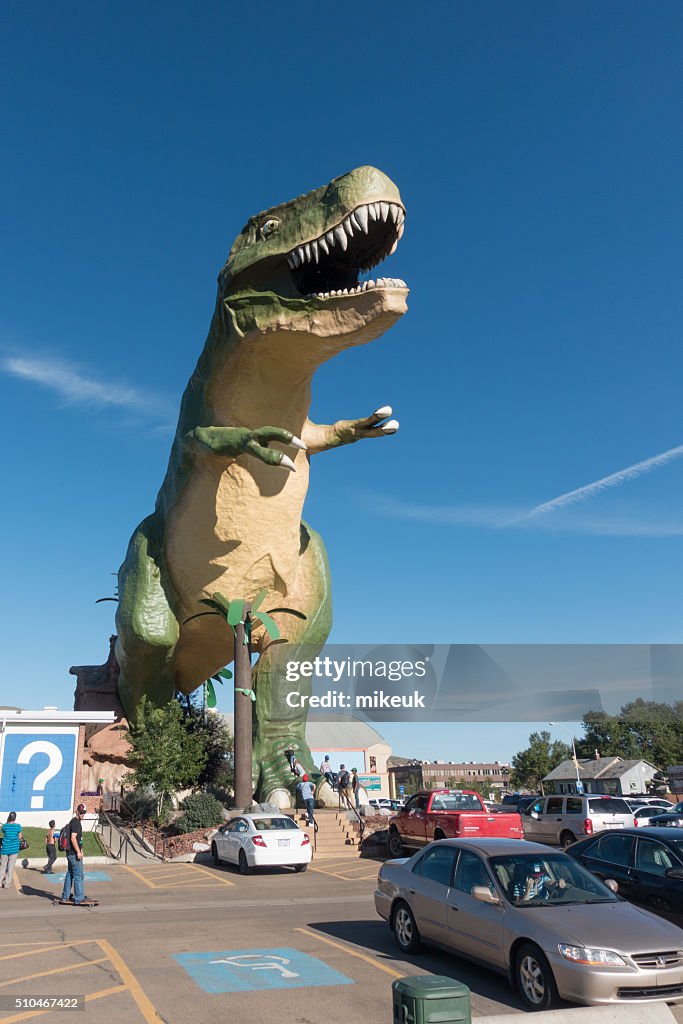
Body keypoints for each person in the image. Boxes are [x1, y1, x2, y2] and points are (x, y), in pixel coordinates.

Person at [61, 803, 87, 904]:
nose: (82, 815)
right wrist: (78, 852)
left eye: (84, 813)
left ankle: (65, 896)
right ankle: (79, 897)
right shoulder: (76, 823)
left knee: (70, 874)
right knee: (78, 875)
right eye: (81, 813)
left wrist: (81, 849)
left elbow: (77, 839)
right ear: (77, 812)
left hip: (70, 853)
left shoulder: (73, 822)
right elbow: (73, 838)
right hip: (74, 854)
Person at [0, 812, 24, 888]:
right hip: (14, 849)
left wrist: (7, 822)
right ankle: (7, 884)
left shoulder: (5, 826)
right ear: (15, 818)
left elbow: (3, 831)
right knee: (10, 868)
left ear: (9, 817)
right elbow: (20, 837)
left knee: (2, 866)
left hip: (5, 848)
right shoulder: (18, 826)